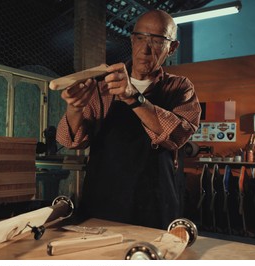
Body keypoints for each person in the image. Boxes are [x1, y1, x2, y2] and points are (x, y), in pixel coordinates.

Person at [56, 10, 201, 229]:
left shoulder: (179, 87)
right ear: (132, 40)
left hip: (155, 200)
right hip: (103, 200)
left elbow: (176, 135)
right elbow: (72, 140)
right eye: (140, 38)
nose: (145, 48)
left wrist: (133, 96)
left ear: (172, 48)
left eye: (157, 40)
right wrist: (74, 108)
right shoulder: (102, 87)